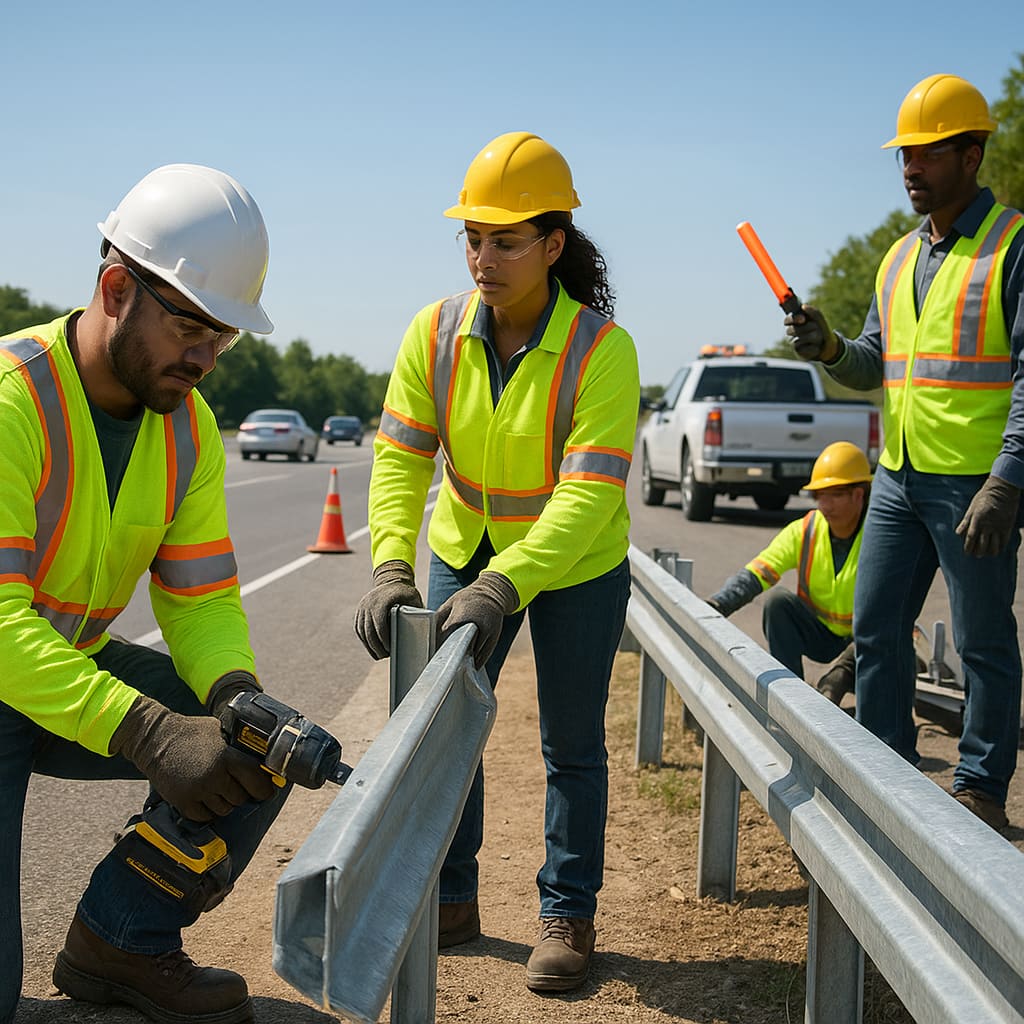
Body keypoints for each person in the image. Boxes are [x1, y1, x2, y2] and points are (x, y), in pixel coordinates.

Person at [0, 164, 290, 1024]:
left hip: (61, 676)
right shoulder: (13, 404)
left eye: (225, 338)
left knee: (262, 748)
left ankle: (118, 944)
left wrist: (233, 698)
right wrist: (150, 731)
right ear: (118, 288)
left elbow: (199, 598)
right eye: (191, 326)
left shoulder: (188, 427)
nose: (206, 358)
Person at [354, 132, 639, 992]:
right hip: (464, 546)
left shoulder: (603, 350)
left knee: (571, 741)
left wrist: (504, 583)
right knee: (443, 731)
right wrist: (390, 565)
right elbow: (402, 458)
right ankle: (449, 897)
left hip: (576, 564)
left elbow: (587, 497)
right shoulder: (433, 332)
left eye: (505, 239)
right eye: (472, 237)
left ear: (553, 245)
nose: (483, 256)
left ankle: (567, 911)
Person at [785, 74, 1024, 833]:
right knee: (876, 627)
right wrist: (828, 346)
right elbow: (873, 363)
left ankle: (982, 784)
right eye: (904, 157)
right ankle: (887, 770)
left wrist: (1007, 481)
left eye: (925, 154)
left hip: (973, 484)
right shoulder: (897, 260)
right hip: (897, 475)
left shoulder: (1013, 247)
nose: (911, 169)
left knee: (984, 639)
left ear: (972, 154)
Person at [706, 442, 872, 702]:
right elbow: (758, 572)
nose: (825, 505)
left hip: (865, 642)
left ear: (859, 495)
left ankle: (879, 727)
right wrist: (717, 605)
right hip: (820, 633)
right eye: (820, 495)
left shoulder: (880, 535)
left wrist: (845, 669)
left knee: (896, 638)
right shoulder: (806, 530)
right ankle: (793, 702)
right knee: (777, 603)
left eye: (835, 494)